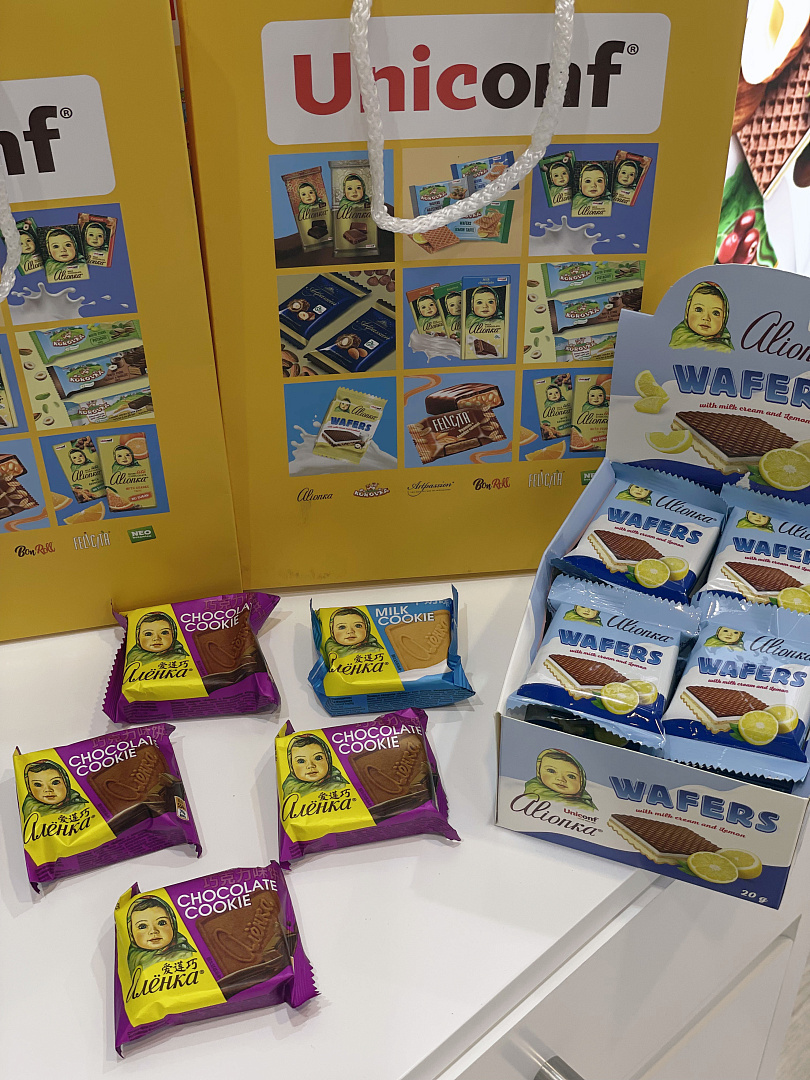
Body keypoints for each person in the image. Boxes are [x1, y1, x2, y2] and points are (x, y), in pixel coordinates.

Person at [126, 895, 195, 976]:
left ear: (172, 925)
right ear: (131, 932)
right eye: (142, 926)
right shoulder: (133, 957)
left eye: (161, 923)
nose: (153, 931)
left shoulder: (184, 955)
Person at [524, 748, 597, 810]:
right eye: (551, 771)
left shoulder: (585, 802)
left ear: (581, 782)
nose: (561, 779)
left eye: (571, 776)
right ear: (539, 771)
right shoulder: (533, 791)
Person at [669, 281, 733, 352]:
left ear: (724, 318)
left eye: (715, 313)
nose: (706, 318)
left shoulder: (724, 348)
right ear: (687, 311)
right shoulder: (678, 337)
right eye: (698, 309)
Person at [282, 733, 348, 796]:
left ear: (328, 759)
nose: (311, 765)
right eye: (301, 761)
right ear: (291, 765)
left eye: (318, 758)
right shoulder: (289, 788)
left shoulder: (340, 786)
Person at [21, 759, 87, 822]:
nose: (48, 790)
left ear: (66, 783)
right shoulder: (30, 808)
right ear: (29, 787)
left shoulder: (79, 805)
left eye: (55, 783)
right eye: (38, 784)